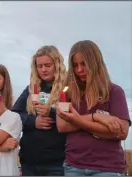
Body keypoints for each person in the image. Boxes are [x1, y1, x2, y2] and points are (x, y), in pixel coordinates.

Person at [56, 40, 131, 176]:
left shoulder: (114, 91)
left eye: (84, 64)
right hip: (74, 166)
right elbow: (62, 126)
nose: (79, 70)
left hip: (108, 168)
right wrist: (96, 117)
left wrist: (76, 120)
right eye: (75, 65)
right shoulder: (68, 93)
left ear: (95, 63)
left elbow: (121, 132)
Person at [12, 45, 67, 176]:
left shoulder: (68, 89)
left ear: (57, 65)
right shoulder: (30, 89)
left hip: (57, 162)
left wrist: (52, 112)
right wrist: (33, 121)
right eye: (39, 66)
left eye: (47, 65)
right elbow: (15, 115)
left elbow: (74, 117)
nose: (43, 70)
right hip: (29, 161)